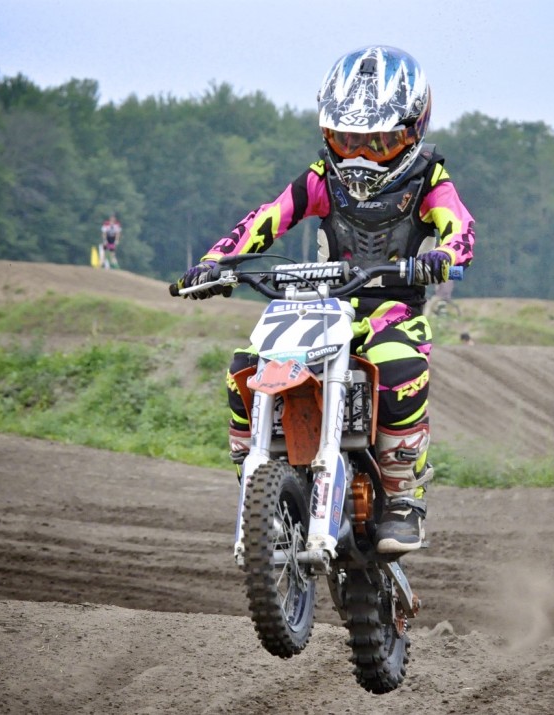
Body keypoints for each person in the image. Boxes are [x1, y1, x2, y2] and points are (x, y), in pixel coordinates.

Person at [176, 46, 475, 554]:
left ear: (411, 131)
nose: (357, 156)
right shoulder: (321, 179)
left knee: (398, 367)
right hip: (320, 306)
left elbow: (460, 229)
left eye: (376, 142)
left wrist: (444, 256)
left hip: (391, 312)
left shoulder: (429, 180)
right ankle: (260, 484)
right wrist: (215, 262)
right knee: (245, 367)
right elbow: (267, 218)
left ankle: (403, 499)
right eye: (345, 139)